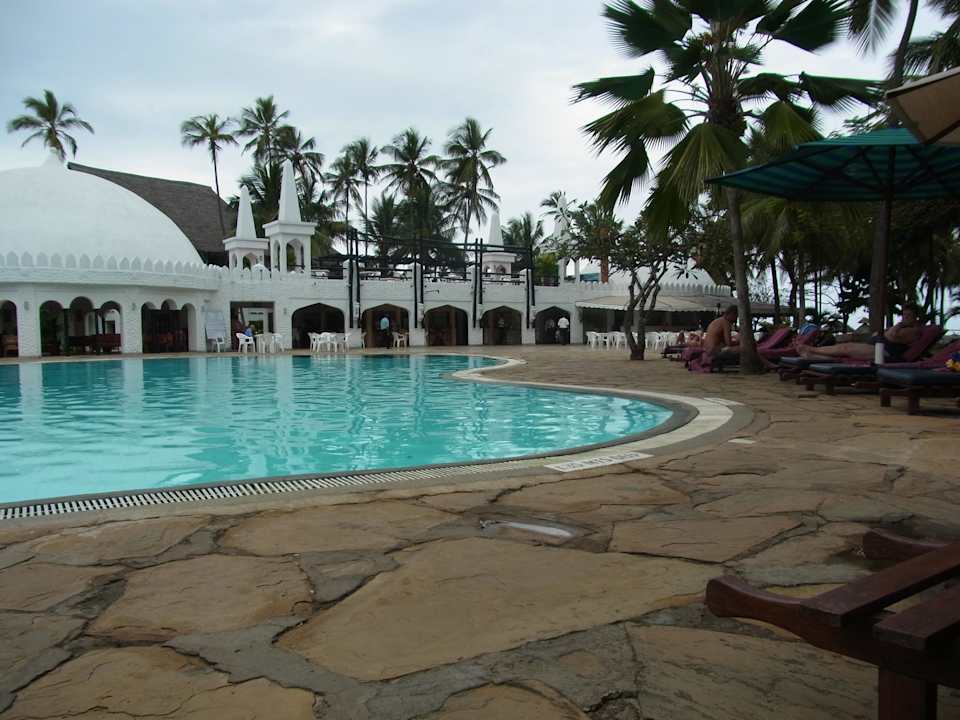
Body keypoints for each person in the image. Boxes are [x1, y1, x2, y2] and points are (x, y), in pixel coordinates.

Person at [798, 305, 923, 362]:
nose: (905, 318)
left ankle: (811, 350)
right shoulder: (904, 327)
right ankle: (815, 355)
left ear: (916, 317)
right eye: (904, 315)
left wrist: (900, 324)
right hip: (877, 346)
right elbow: (887, 334)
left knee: (846, 348)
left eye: (908, 316)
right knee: (846, 349)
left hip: (885, 352)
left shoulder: (915, 330)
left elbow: (893, 335)